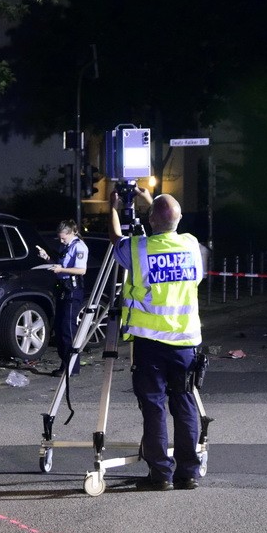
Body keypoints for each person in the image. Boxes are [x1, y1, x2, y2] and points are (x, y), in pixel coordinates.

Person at [109, 188, 205, 491]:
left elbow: (115, 240)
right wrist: (150, 199)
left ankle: (161, 474)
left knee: (154, 407)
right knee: (185, 403)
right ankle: (188, 472)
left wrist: (113, 207)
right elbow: (165, 221)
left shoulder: (138, 250)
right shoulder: (191, 245)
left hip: (150, 344)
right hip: (186, 342)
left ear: (150, 220)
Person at [36, 220, 88, 377]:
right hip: (63, 289)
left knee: (68, 328)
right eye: (59, 238)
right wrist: (47, 259)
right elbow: (59, 267)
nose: (61, 241)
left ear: (72, 233)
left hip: (73, 290)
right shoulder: (66, 246)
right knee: (59, 328)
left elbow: (81, 270)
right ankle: (65, 363)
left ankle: (72, 366)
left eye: (63, 238)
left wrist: (61, 269)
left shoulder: (79, 247)